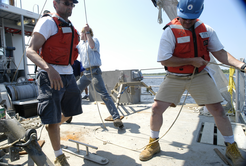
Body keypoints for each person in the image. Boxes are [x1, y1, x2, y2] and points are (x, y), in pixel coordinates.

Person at [139, 0, 246, 165]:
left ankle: (231, 147)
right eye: (184, 18)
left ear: (199, 13)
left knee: (218, 110)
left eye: (192, 18)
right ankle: (153, 143)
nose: (187, 21)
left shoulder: (207, 30)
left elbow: (220, 53)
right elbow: (164, 60)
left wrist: (241, 65)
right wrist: (191, 60)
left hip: (199, 75)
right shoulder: (170, 31)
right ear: (179, 12)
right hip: (174, 77)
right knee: (156, 109)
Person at [26, 0, 82, 165]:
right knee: (52, 119)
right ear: (55, 4)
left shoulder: (70, 25)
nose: (70, 6)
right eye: (66, 3)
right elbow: (30, 50)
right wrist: (49, 69)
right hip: (49, 75)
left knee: (71, 111)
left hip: (68, 74)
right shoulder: (48, 22)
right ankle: (59, 156)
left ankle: (53, 125)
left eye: (72, 4)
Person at [76, 24, 124, 128]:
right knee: (74, 91)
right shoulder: (79, 44)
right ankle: (68, 114)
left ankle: (116, 118)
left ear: (86, 33)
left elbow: (92, 46)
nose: (80, 34)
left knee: (104, 95)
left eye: (82, 32)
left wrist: (88, 33)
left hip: (95, 72)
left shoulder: (94, 40)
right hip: (86, 73)